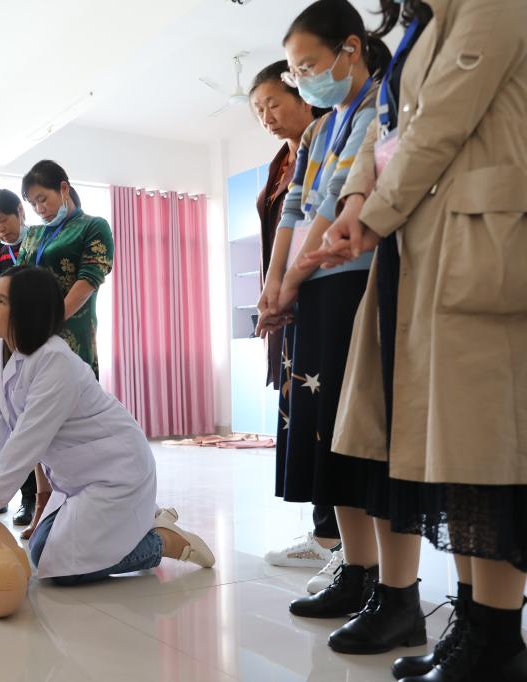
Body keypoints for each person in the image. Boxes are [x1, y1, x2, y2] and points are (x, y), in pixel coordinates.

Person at [304, 0, 527, 678]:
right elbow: (389, 128)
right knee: (450, 446)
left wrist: (372, 215)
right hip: (422, 241)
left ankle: (496, 639)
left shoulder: (491, 5)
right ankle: (474, 626)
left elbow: (443, 119)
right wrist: (356, 205)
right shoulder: (418, 27)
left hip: (478, 237)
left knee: (483, 447)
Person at [255, 0, 399, 643]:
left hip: (354, 282)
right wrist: (273, 285)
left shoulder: (378, 106)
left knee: (362, 430)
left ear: (350, 49)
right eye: (296, 71)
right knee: (326, 434)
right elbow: (293, 213)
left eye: (308, 67)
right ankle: (356, 568)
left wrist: (289, 283)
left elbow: (338, 200)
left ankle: (390, 584)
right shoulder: (317, 131)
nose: (303, 80)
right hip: (309, 289)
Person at [0, 266, 215, 586]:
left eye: (1, 301)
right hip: (76, 476)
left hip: (116, 470)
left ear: (28, 312)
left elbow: (27, 440)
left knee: (61, 567)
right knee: (43, 549)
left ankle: (162, 541)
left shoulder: (55, 360)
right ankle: (143, 518)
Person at [249, 62, 342, 591]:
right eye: (258, 110)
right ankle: (326, 535)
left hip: (322, 288)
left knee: (328, 411)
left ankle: (338, 542)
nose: (266, 116)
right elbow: (280, 230)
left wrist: (286, 284)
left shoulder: (332, 138)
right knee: (303, 413)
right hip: (290, 295)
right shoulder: (282, 161)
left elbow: (315, 220)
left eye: (273, 103)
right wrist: (273, 289)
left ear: (303, 94)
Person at [18, 160, 115, 539]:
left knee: (75, 425)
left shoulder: (93, 226)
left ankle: (84, 503)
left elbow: (89, 279)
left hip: (71, 339)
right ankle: (44, 500)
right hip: (32, 342)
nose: (39, 208)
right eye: (32, 203)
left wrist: (50, 320)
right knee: (35, 421)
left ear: (63, 188)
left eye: (43, 198)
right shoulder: (33, 235)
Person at [0, 189, 36, 527]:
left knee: (35, 425)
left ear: (20, 211)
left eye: (3, 220)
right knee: (15, 423)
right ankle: (25, 497)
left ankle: (42, 497)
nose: (0, 229)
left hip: (38, 342)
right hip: (9, 344)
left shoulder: (38, 245)